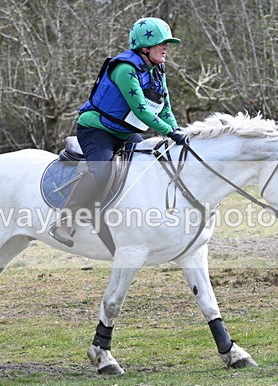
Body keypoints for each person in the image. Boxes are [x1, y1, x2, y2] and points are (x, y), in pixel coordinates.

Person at [49, 17, 188, 247]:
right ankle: (64, 222)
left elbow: (165, 109)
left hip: (124, 132)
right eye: (162, 43)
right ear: (145, 46)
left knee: (151, 162)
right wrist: (169, 133)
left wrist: (176, 130)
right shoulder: (125, 69)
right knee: (102, 172)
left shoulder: (157, 69)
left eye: (167, 43)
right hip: (97, 129)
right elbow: (141, 110)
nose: (166, 48)